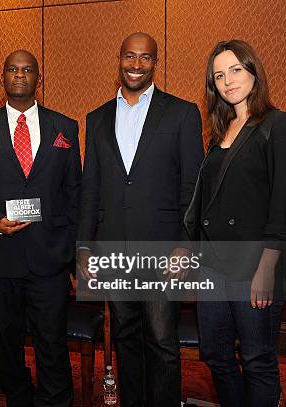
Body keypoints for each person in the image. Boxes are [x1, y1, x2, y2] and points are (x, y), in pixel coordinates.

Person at [77, 32, 204, 406]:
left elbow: (192, 186)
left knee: (162, 342)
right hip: (114, 250)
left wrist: (185, 244)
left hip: (163, 251)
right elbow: (90, 190)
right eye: (130, 57)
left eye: (145, 58)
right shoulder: (97, 118)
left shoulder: (181, 113)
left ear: (155, 63)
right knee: (125, 338)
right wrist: (84, 247)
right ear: (118, 59)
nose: (136, 65)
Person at [0, 49, 81, 407]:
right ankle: (18, 396)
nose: (20, 75)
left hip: (50, 256)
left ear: (38, 78)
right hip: (0, 255)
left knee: (52, 340)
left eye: (28, 70)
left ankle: (56, 399)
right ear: (3, 78)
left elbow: (74, 191)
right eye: (13, 69)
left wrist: (72, 251)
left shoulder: (65, 127)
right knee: (7, 341)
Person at [183, 39, 286, 407]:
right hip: (213, 267)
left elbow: (283, 206)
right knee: (216, 355)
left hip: (254, 266)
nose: (228, 81)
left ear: (253, 71)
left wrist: (267, 268)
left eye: (235, 70)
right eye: (219, 75)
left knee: (257, 359)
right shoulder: (220, 132)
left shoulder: (278, 125)